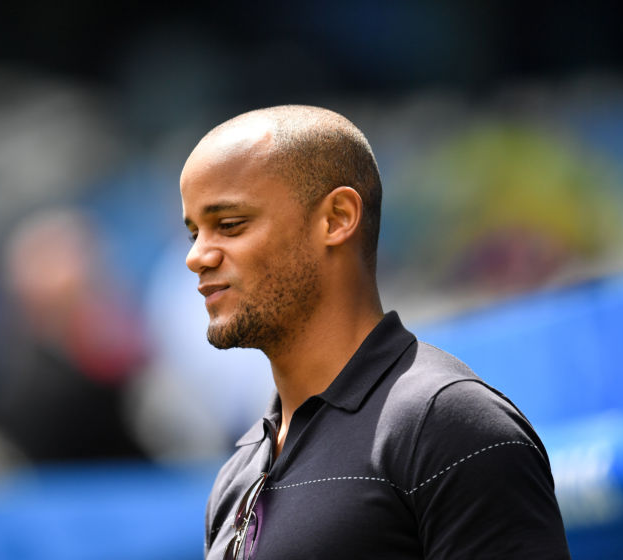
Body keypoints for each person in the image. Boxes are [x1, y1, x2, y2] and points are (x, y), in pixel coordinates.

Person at [179, 105, 571, 559]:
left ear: (337, 218)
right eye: (194, 234)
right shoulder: (239, 471)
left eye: (229, 225)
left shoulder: (448, 427)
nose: (198, 257)